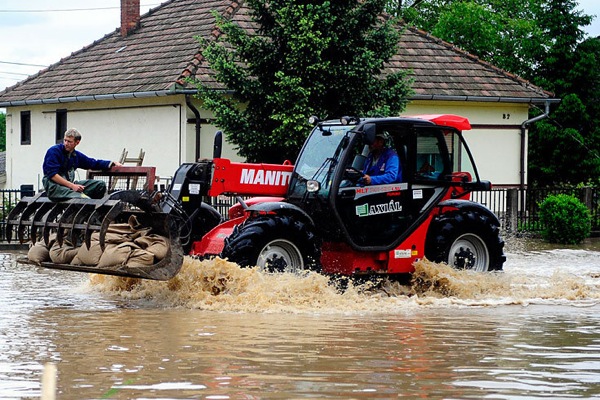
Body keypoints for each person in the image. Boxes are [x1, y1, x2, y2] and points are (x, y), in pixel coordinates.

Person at [42, 128, 122, 201]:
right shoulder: (54, 152)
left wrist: (111, 163)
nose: (66, 143)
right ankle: (88, 211)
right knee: (83, 199)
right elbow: (52, 175)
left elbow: (92, 163)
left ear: (77, 142)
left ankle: (96, 210)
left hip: (68, 187)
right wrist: (72, 186)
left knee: (100, 185)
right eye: (65, 140)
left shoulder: (75, 156)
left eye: (69, 141)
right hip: (55, 188)